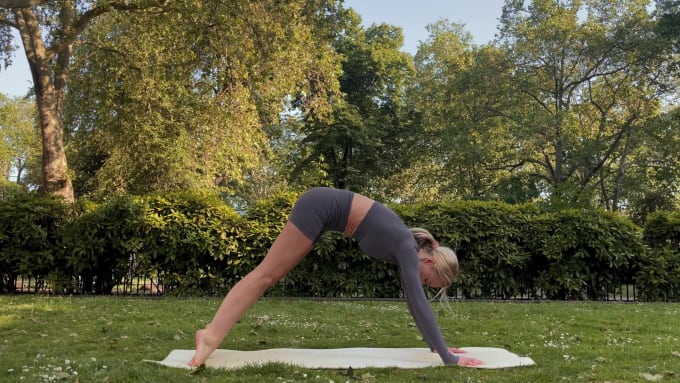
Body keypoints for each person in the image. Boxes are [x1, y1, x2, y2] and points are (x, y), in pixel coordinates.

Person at [189, 187, 484, 367]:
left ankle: (212, 333)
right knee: (266, 274)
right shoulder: (407, 246)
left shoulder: (405, 244)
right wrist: (449, 358)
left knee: (268, 274)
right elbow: (418, 303)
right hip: (319, 207)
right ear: (430, 260)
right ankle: (211, 335)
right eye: (428, 280)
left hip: (323, 211)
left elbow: (415, 302)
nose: (422, 284)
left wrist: (437, 347)